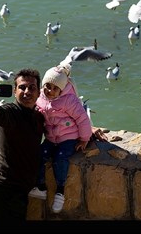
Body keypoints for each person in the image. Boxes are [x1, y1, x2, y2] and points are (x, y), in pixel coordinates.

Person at [0, 68, 45, 220]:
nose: (27, 91)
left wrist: (89, 130)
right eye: (22, 87)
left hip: (21, 190)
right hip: (4, 189)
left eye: (32, 87)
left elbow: (61, 128)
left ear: (39, 92)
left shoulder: (38, 116)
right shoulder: (10, 112)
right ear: (15, 91)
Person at [28, 64, 93, 214]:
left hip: (69, 137)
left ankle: (60, 191)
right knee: (40, 154)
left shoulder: (70, 101)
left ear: (61, 89)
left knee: (60, 158)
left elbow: (83, 119)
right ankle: (41, 187)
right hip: (51, 137)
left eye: (54, 88)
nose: (50, 91)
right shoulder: (40, 98)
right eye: (47, 86)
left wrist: (84, 139)